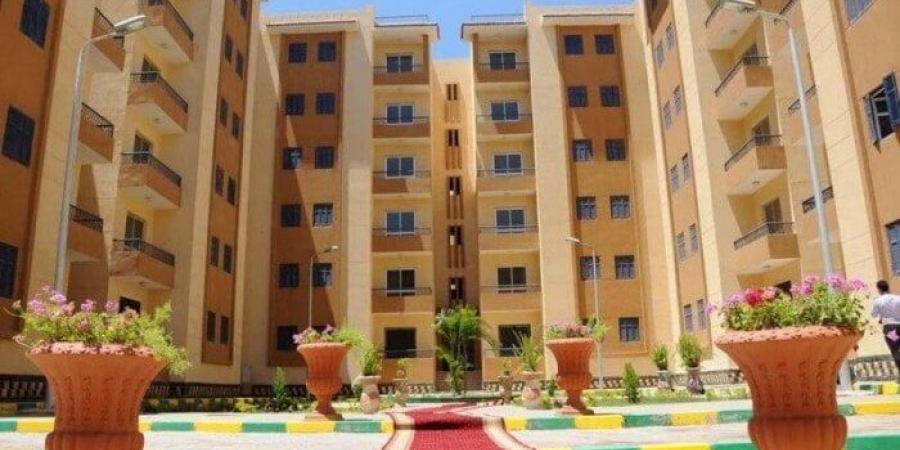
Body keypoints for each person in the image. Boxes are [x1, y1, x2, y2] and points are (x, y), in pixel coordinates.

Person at [872, 280, 900, 378]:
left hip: (890, 328)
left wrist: (883, 315)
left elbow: (874, 314)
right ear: (888, 287)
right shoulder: (898, 298)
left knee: (895, 349)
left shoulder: (878, 301)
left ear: (879, 289)